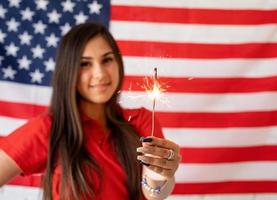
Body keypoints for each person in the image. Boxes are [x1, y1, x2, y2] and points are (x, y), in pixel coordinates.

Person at [0, 22, 181, 200]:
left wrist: (159, 173)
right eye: (85, 64)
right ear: (68, 71)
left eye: (107, 60)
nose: (100, 73)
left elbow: (154, 194)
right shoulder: (48, 129)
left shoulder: (140, 121)